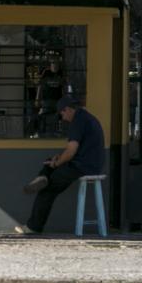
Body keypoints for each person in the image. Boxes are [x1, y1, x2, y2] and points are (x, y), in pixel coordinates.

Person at [15, 95, 105, 234]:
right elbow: (74, 151)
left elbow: (70, 152)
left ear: (68, 109)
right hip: (90, 164)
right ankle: (42, 176)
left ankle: (33, 226)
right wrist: (57, 160)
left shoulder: (78, 121)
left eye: (62, 113)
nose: (62, 117)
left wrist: (57, 163)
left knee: (47, 190)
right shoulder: (86, 118)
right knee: (50, 161)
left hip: (82, 167)